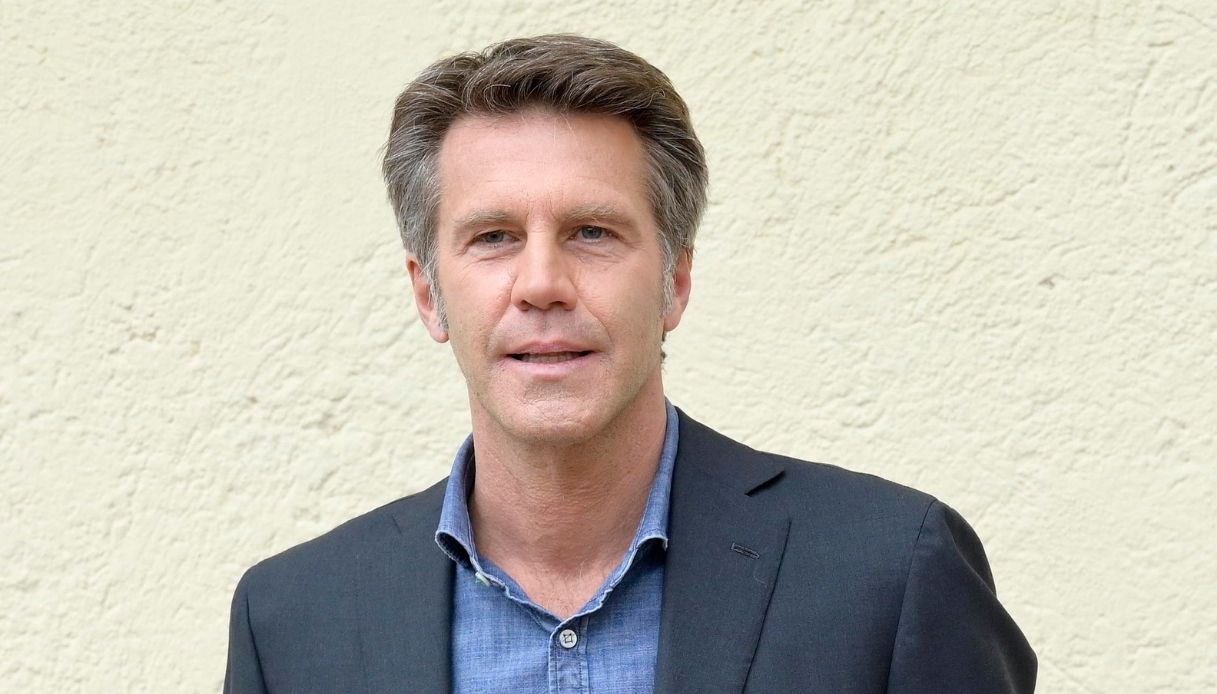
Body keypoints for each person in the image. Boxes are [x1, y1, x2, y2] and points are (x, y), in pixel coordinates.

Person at [224, 34, 1036, 693]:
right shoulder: (292, 620)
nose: (541, 284)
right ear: (428, 295)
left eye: (592, 232)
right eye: (493, 237)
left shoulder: (889, 571)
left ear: (674, 281)